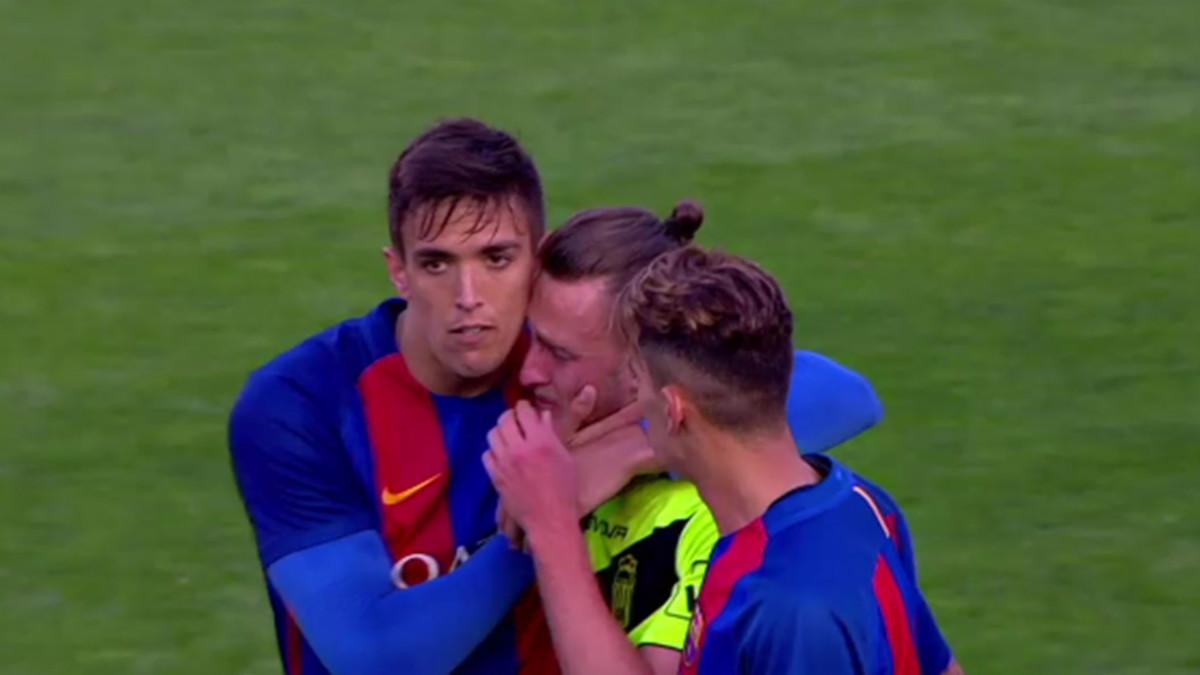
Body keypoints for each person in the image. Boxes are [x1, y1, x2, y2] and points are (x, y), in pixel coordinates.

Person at [485, 245, 962, 674]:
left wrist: (552, 529)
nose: (636, 409)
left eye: (641, 387)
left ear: (673, 411)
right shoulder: (862, 501)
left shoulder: (785, 604)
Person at [229, 118, 586, 675]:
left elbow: (753, 401)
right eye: (437, 263)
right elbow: (374, 657)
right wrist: (554, 515)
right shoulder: (301, 405)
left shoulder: (585, 368)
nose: (469, 298)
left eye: (497, 259)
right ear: (398, 270)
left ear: (538, 261)